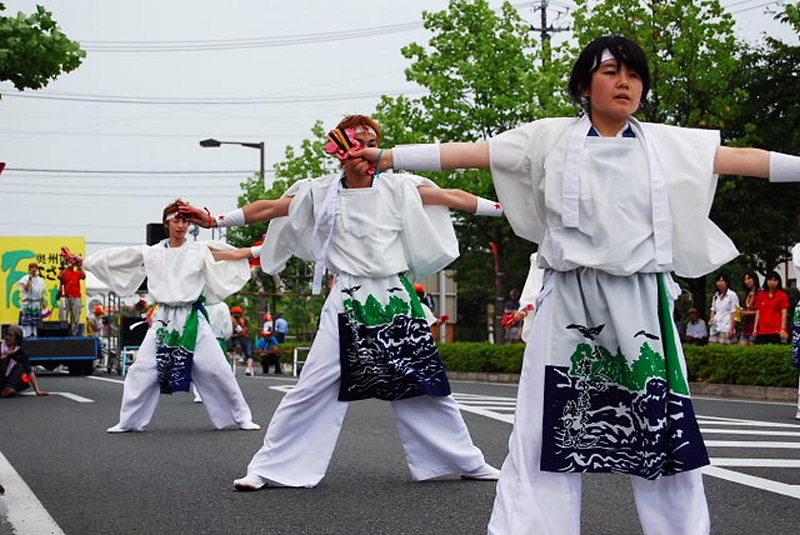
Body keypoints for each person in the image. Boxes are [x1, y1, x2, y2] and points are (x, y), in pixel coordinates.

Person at [350, 34, 800, 535]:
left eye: (633, 73)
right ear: (585, 84)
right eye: (611, 72)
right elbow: (473, 153)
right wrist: (388, 157)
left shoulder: (666, 143)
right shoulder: (546, 138)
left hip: (641, 301)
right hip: (569, 296)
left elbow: (740, 158)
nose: (624, 82)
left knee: (661, 424)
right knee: (547, 426)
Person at [179, 114, 501, 491]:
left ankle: (465, 460)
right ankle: (270, 468)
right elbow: (267, 208)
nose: (362, 153)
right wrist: (216, 218)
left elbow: (454, 198)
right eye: (354, 145)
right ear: (340, 152)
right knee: (312, 386)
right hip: (347, 299)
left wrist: (508, 209)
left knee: (423, 384)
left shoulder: (400, 187)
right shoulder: (320, 192)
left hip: (395, 299)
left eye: (370, 144)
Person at [81, 200, 261, 433]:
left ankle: (241, 417)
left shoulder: (199, 249)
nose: (181, 225)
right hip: (164, 320)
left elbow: (233, 254)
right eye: (176, 220)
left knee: (217, 368)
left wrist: (259, 250)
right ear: (166, 223)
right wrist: (84, 262)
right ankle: (129, 421)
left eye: (185, 220)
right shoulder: (152, 252)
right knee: (142, 369)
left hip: (192, 319)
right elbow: (117, 258)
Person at [1, 325, 48, 397]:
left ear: (17, 338)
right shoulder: (1, 347)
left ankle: (8, 389)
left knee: (25, 374)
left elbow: (30, 372)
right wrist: (5, 356)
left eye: (10, 335)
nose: (7, 337)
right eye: (6, 335)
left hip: (9, 380)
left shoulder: (21, 353)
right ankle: (6, 389)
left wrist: (37, 391)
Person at [753, 271, 790, 344]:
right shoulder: (761, 295)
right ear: (766, 281)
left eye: (775, 280)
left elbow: (784, 314)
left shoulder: (783, 295)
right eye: (770, 280)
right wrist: (755, 329)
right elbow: (758, 313)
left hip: (776, 331)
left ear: (778, 282)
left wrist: (783, 329)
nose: (772, 282)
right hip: (762, 331)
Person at [58, 252, 86, 336]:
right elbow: (60, 277)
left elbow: (84, 276)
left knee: (76, 316)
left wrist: (78, 265)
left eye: (72, 261)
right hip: (66, 296)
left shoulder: (77, 272)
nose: (71, 262)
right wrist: (67, 267)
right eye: (69, 261)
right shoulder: (64, 271)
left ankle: (74, 334)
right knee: (63, 316)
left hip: (76, 297)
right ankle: (64, 333)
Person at [18, 262, 47, 338]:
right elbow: (26, 289)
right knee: (27, 324)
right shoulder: (25, 278)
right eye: (32, 267)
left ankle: (36, 338)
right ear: (29, 269)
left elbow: (43, 292)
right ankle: (27, 338)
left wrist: (44, 302)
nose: (34, 269)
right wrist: (29, 280)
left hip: (37, 304)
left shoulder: (41, 280)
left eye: (35, 267)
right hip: (28, 303)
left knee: (36, 324)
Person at [708, 274, 739, 344]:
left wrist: (732, 328)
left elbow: (735, 312)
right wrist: (711, 319)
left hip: (726, 327)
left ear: (727, 282)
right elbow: (713, 310)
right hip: (715, 328)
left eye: (722, 281)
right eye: (718, 281)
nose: (720, 283)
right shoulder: (715, 295)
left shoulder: (732, 295)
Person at [737, 271, 760, 345]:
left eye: (749, 278)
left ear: (754, 279)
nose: (746, 281)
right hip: (745, 326)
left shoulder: (760, 293)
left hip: (756, 327)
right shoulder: (746, 294)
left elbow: (761, 311)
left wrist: (746, 313)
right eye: (745, 279)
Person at [230, 306, 255, 376]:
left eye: (237, 313)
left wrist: (236, 334)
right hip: (237, 339)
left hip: (246, 338)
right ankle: (239, 358)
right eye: (234, 313)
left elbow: (245, 331)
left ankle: (249, 368)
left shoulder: (244, 321)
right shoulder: (231, 321)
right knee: (235, 349)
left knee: (249, 354)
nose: (236, 315)